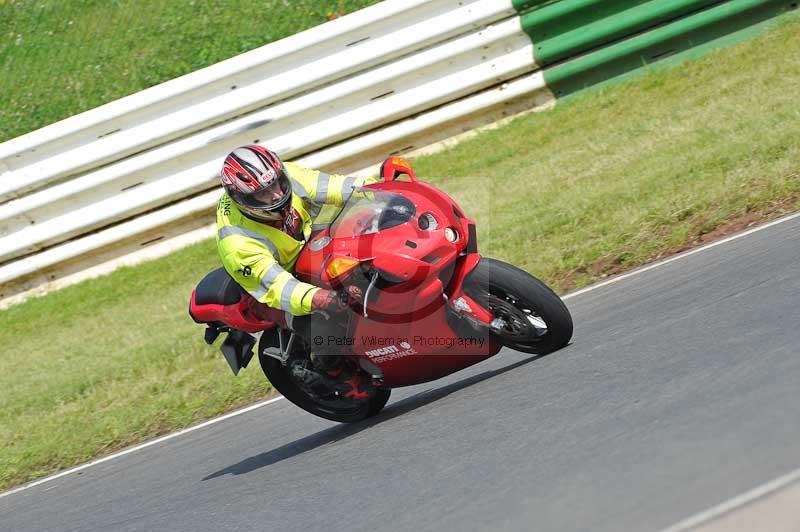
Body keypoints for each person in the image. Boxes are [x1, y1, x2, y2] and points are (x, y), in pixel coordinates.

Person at [216, 145, 375, 393]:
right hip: (270, 287)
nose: (276, 195)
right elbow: (282, 290)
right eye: (264, 194)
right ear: (243, 200)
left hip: (306, 248)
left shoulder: (286, 175)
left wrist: (382, 189)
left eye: (277, 184)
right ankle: (334, 373)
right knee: (323, 319)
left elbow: (339, 187)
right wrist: (324, 299)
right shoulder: (237, 242)